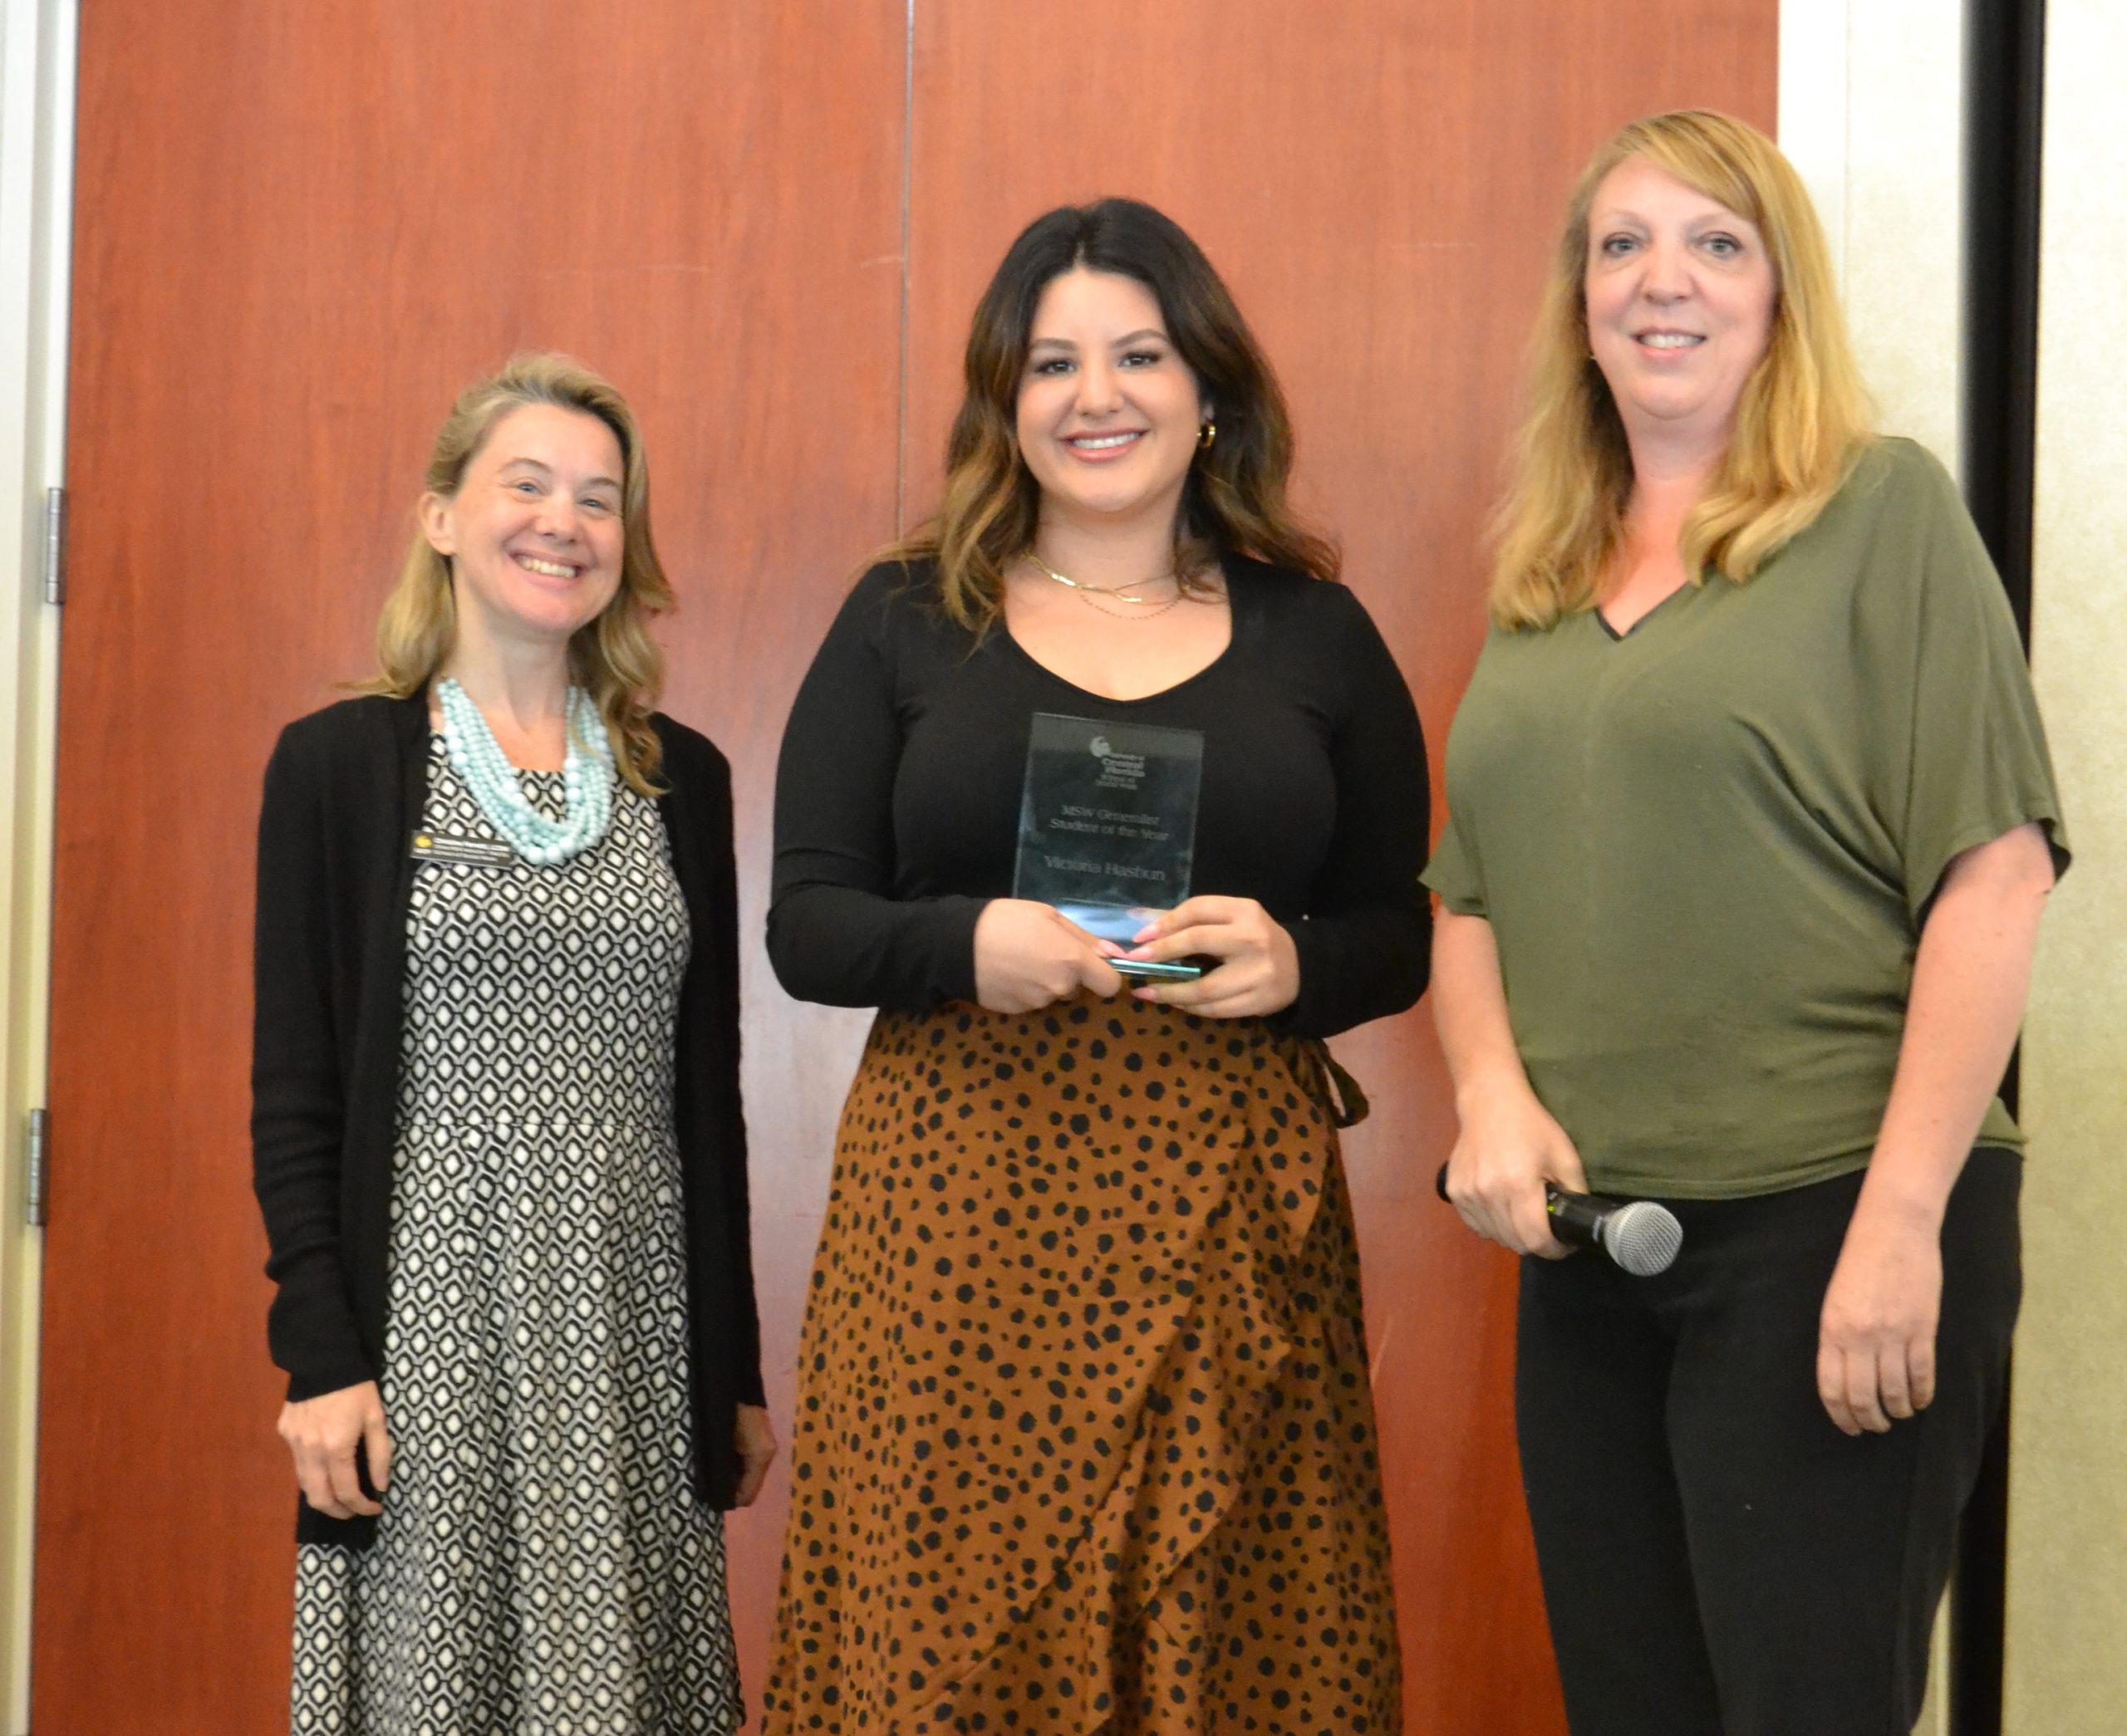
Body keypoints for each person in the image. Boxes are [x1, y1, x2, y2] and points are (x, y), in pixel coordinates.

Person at [1426, 110, 2066, 1735]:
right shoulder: (1539, 572)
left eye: (1715, 244)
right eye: (1620, 244)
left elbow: (1991, 874)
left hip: (1824, 1223)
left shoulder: (1879, 516)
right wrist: (1489, 1093)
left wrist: (1898, 1222)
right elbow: (1468, 889)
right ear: (1577, 298)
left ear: (1780, 297)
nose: (1663, 282)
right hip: (1586, 1256)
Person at [762, 198, 1427, 1734]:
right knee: (945, 1646)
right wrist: (959, 942)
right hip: (958, 1223)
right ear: (1007, 401)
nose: (1096, 394)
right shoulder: (902, 617)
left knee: (1238, 1634)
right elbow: (806, 921)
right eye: (1052, 362)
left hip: (1225, 1212)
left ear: (1211, 392)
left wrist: (1298, 963)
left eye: (1138, 353)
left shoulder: (1316, 633)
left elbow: (1399, 925)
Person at [251, 353, 774, 1734]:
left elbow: (705, 1102)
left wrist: (733, 1366)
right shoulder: (339, 766)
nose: (565, 522)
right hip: (425, 1318)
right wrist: (319, 1354)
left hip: (633, 1319)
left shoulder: (686, 778)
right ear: (442, 518)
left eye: (601, 500)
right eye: (527, 484)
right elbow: (298, 1092)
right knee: (439, 1690)